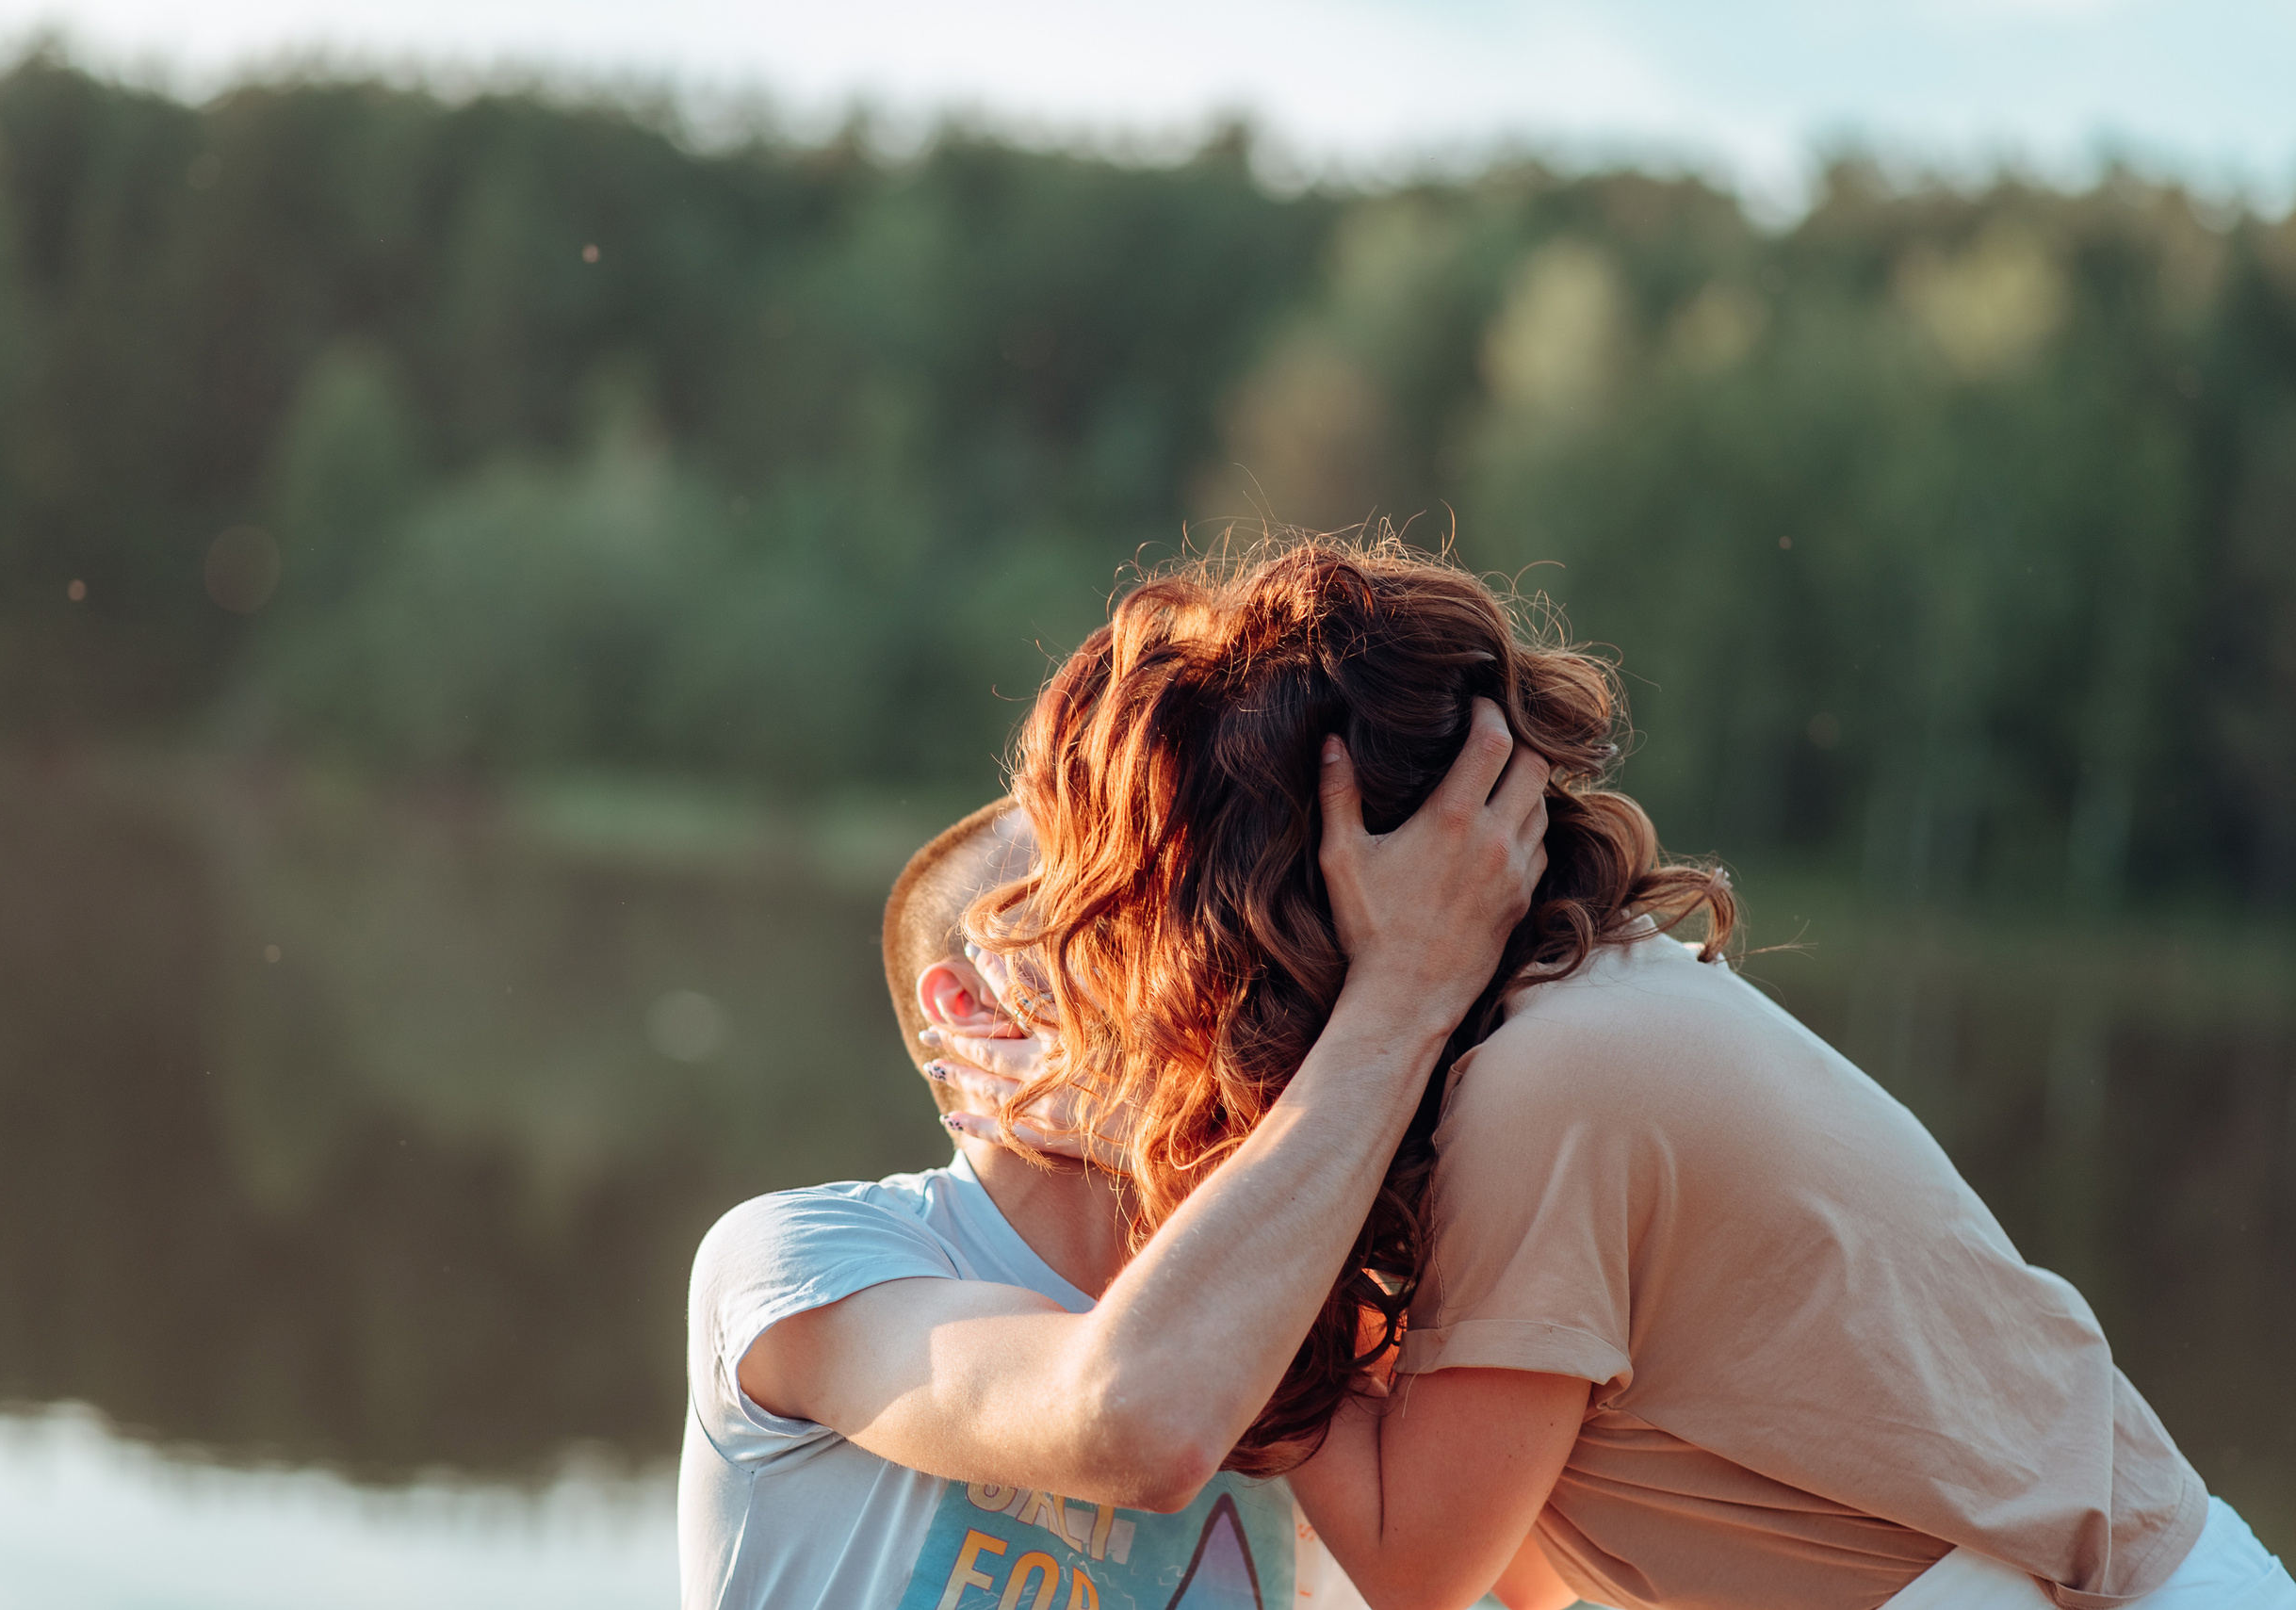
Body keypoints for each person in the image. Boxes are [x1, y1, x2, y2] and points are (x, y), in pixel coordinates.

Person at [941, 536, 2296, 1610]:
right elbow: (1544, 1567)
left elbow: (1422, 1566)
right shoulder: (1596, 1010)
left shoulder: (1557, 1088)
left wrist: (1193, 1189)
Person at [678, 737, 1550, 1609]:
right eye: (1096, 893)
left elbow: (1537, 1570)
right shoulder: (794, 1257)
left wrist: (1191, 1147)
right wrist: (1405, 984)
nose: (1170, 921)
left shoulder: (1313, 1296)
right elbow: (1137, 1420)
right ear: (972, 1002)